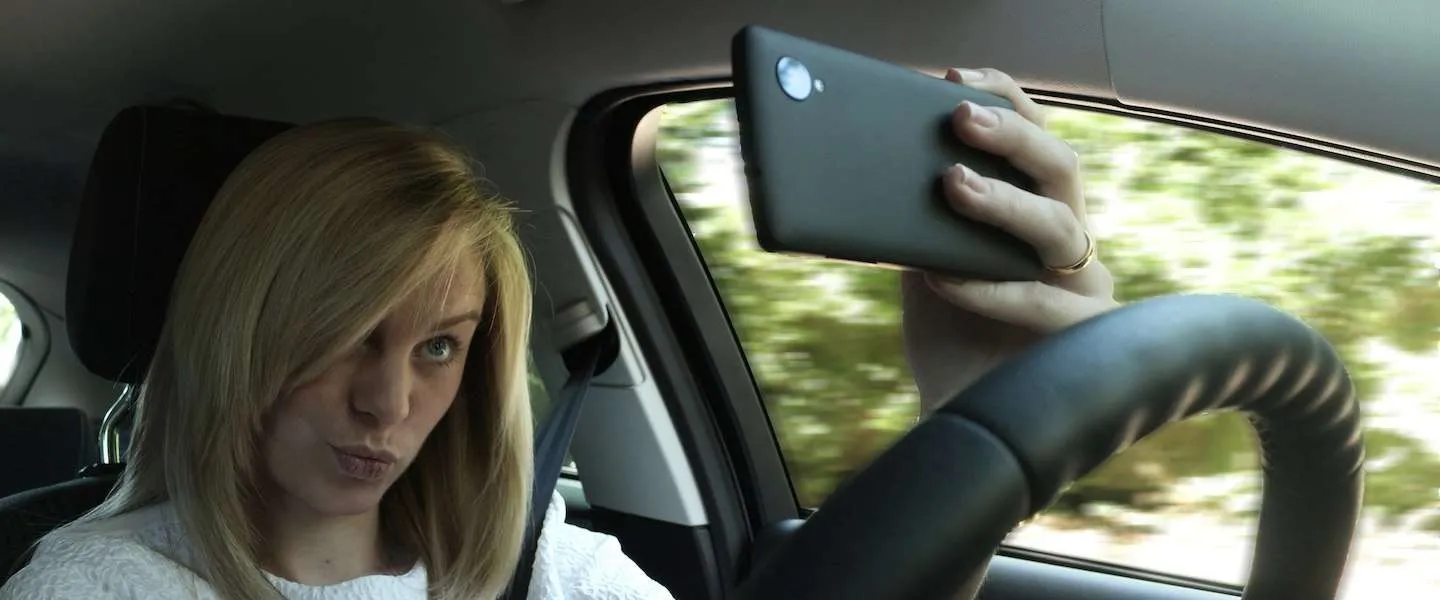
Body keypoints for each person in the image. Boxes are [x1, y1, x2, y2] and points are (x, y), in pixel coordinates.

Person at [0, 67, 1113, 600]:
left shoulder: (554, 568)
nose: (389, 407)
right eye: (343, 335)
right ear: (240, 332)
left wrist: (973, 445)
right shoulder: (99, 585)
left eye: (439, 347)